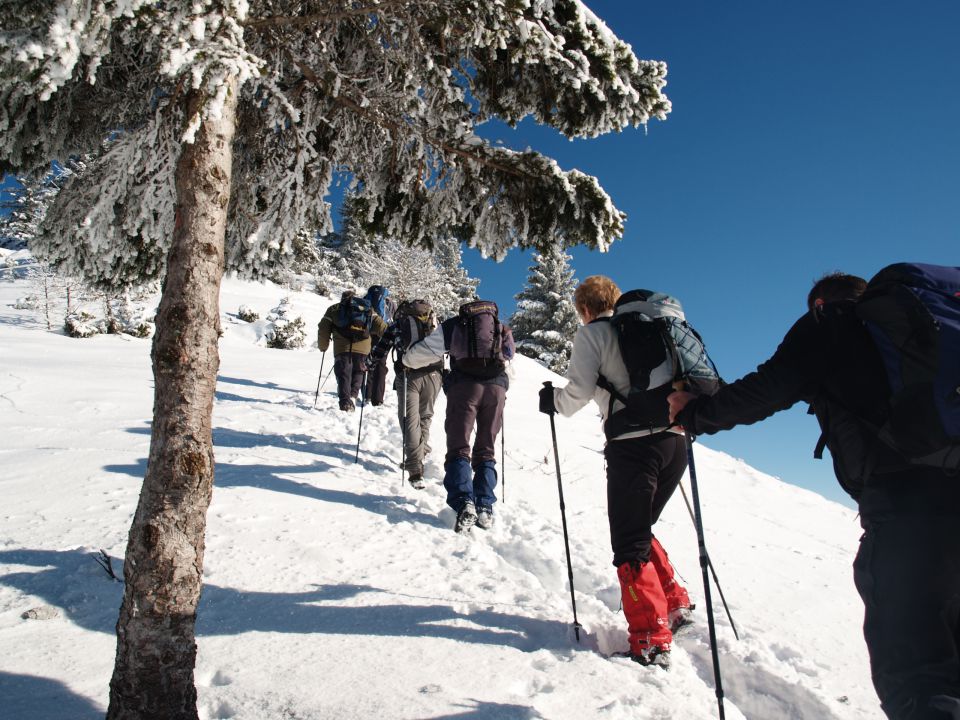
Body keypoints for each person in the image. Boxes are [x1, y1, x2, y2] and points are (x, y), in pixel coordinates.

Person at [668, 272, 960, 719]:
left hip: (910, 511)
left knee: (920, 675)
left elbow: (770, 388)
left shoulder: (831, 323)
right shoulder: (929, 332)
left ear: (819, 302)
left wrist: (697, 415)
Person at [538, 275, 693, 669]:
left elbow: (575, 397)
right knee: (638, 528)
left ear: (585, 308)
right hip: (676, 442)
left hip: (632, 447)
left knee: (629, 541)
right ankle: (674, 604)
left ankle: (650, 639)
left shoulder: (593, 334)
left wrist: (550, 400)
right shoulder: (653, 327)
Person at [403, 300, 515, 533]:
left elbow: (419, 355)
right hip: (496, 391)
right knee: (486, 448)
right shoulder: (501, 328)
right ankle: (485, 505)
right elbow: (509, 360)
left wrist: (405, 360)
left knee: (459, 446)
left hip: (465, 388)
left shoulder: (455, 326)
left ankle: (464, 501)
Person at [365, 299, 442, 489]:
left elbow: (380, 350)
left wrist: (369, 364)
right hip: (435, 374)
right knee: (424, 417)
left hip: (408, 376)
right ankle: (420, 453)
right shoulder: (433, 322)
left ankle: (415, 470)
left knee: (408, 420)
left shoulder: (397, 325)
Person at [317, 290, 387, 412]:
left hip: (342, 348)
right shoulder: (366, 308)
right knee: (359, 372)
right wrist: (390, 340)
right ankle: (353, 396)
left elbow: (323, 328)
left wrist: (323, 346)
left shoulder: (334, 309)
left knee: (344, 373)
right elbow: (381, 326)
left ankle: (345, 401)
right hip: (363, 348)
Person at [364, 285, 397, 406]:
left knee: (367, 361)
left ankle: (366, 394)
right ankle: (377, 398)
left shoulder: (366, 299)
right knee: (380, 364)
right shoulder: (390, 303)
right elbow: (393, 317)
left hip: (367, 334)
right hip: (383, 334)